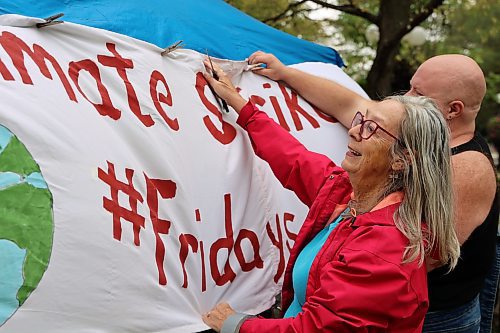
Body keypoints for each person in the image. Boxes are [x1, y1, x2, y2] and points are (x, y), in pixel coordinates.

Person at [245, 52, 499, 333]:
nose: (407, 95)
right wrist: (284, 73)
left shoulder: (464, 170)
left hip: (437, 319)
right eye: (410, 86)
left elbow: (421, 259)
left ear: (453, 110)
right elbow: (351, 105)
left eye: (419, 93)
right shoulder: (399, 136)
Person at [200, 60, 460, 332]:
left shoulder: (382, 250)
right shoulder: (349, 195)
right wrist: (241, 105)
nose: (354, 130)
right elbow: (294, 160)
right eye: (362, 119)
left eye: (372, 128)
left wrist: (236, 325)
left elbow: (316, 329)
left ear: (402, 159)